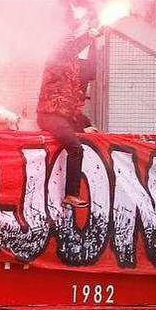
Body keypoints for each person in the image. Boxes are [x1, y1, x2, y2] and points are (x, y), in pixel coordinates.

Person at [37, 28, 102, 209]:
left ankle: (71, 195)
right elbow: (71, 49)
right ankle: (71, 194)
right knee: (76, 148)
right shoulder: (55, 59)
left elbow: (91, 68)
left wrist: (93, 41)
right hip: (49, 115)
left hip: (62, 116)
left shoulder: (72, 64)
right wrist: (89, 35)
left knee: (76, 144)